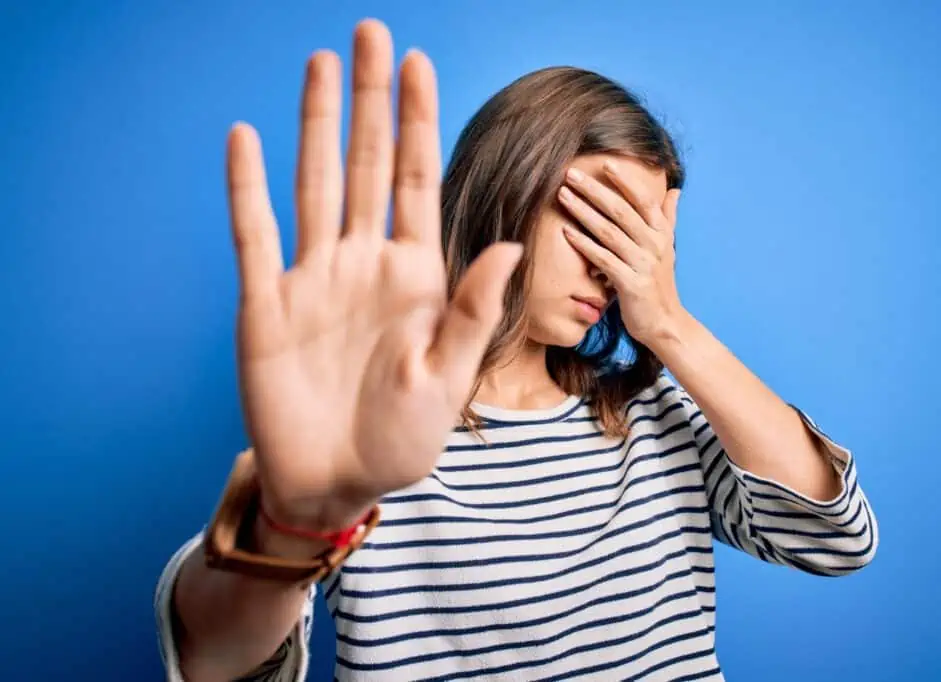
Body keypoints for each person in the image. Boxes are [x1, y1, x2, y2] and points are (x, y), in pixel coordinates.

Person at [154, 18, 878, 682]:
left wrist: (670, 325)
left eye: (642, 240)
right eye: (597, 221)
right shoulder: (375, 430)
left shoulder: (650, 409)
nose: (615, 265)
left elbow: (835, 539)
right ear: (511, 183)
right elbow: (217, 663)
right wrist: (296, 525)